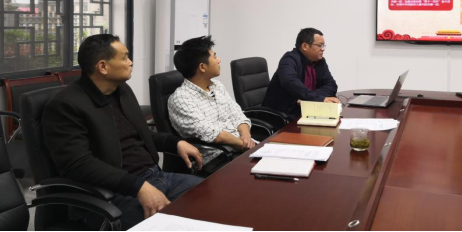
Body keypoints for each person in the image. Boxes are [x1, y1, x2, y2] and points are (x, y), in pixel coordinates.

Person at [43, 34, 203, 230]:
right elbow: (78, 164)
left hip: (155, 178)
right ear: (103, 67)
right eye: (125, 57)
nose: (130, 62)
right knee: (176, 225)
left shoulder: (122, 91)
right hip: (112, 194)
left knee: (211, 197)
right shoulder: (66, 104)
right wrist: (138, 186)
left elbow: (140, 136)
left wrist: (175, 142)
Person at [169, 36, 255, 166]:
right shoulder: (181, 99)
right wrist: (244, 144)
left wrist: (246, 136)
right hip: (219, 158)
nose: (219, 60)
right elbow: (215, 135)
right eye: (214, 57)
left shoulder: (217, 86)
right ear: (202, 67)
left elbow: (237, 114)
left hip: (241, 148)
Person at [263, 28, 339, 120]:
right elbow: (289, 82)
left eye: (323, 46)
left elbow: (331, 85)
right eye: (320, 45)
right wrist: (317, 98)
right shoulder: (289, 59)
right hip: (282, 117)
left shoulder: (320, 62)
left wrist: (309, 98)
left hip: (307, 112)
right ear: (305, 46)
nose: (323, 49)